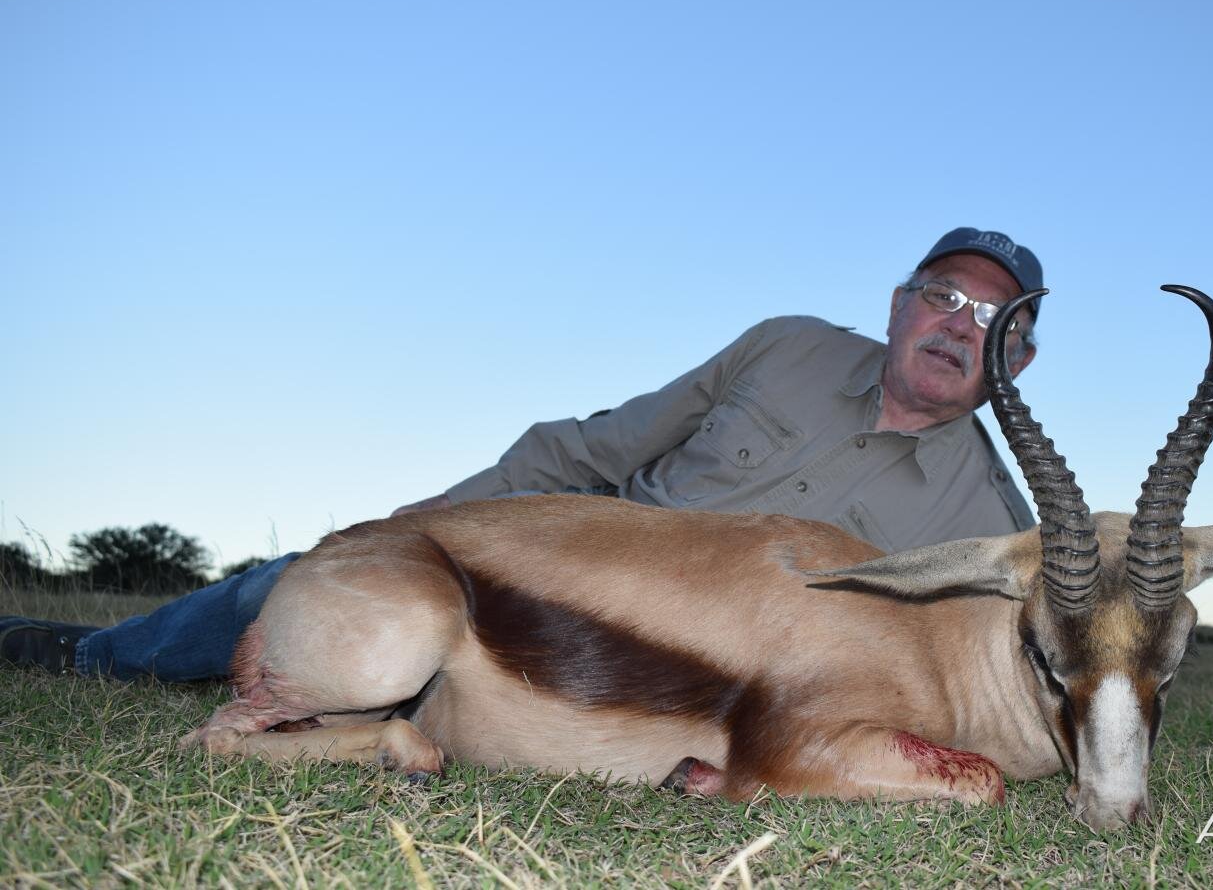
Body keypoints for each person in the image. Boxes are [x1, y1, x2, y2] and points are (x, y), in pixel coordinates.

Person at [2, 228, 1044, 681]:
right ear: (900, 302)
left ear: (1019, 361)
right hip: (563, 555)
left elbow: (1004, 663)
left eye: (993, 319)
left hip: (675, 666)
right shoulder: (788, 347)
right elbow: (591, 449)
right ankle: (91, 655)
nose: (959, 324)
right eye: (943, 294)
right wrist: (412, 528)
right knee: (336, 585)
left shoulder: (994, 516)